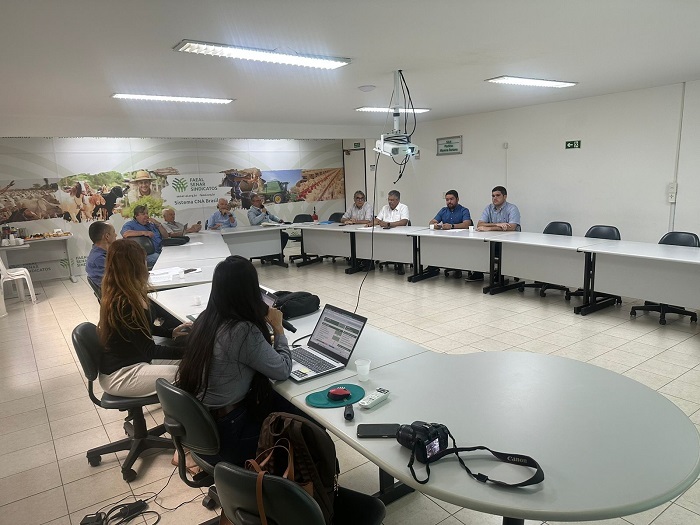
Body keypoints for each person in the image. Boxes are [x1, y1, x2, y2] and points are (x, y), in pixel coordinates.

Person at [176, 255, 299, 466]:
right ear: (250, 290)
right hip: (230, 432)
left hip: (203, 426)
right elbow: (282, 370)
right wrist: (278, 329)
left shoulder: (207, 318)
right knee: (301, 417)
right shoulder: (242, 330)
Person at [97, 239, 191, 398]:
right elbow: (150, 350)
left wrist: (170, 333)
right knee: (190, 371)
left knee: (191, 363)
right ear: (134, 266)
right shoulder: (124, 303)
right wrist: (192, 352)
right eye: (143, 261)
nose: (146, 265)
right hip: (121, 374)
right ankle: (183, 419)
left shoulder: (128, 293)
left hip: (135, 360)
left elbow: (141, 328)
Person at [467, 186, 521, 282]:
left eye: (497, 195)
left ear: (505, 196)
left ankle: (500, 274)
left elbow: (512, 227)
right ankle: (479, 273)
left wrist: (489, 228)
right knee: (478, 245)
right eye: (493, 196)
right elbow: (480, 224)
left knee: (497, 247)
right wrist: (497, 224)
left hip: (509, 241)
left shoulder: (512, 208)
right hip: (492, 239)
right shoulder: (489, 208)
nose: (494, 198)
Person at [428, 190, 472, 278]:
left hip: (461, 240)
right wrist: (435, 225)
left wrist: (452, 226)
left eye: (451, 199)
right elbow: (431, 222)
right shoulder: (443, 210)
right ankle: (432, 265)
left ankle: (458, 267)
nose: (449, 202)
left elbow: (467, 224)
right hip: (446, 239)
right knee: (431, 243)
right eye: (447, 200)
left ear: (457, 199)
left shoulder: (464, 210)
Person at [370, 190, 410, 274]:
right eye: (389, 199)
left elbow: (404, 222)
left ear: (398, 200)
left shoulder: (403, 207)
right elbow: (378, 220)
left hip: (399, 235)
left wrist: (388, 224)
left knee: (397, 244)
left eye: (392, 200)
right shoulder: (385, 208)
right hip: (385, 234)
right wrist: (370, 224)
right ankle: (368, 263)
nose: (390, 202)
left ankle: (400, 264)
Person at [86, 221, 117, 286]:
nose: (116, 235)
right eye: (113, 232)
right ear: (107, 236)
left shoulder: (101, 254)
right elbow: (118, 280)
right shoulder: (99, 258)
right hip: (115, 293)